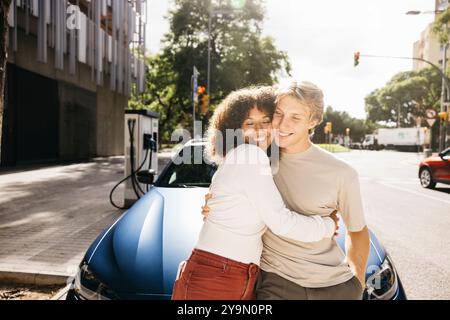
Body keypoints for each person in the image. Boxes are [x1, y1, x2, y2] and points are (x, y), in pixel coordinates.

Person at [171, 87, 339, 301]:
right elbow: (281, 222)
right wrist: (327, 226)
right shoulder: (249, 156)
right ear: (235, 129)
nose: (259, 129)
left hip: (227, 273)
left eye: (266, 120)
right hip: (218, 277)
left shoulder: (247, 161)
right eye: (249, 123)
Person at [256, 81, 370, 300]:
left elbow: (357, 231)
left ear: (314, 121)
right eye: (278, 114)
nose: (282, 124)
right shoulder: (257, 160)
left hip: (335, 285)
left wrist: (358, 283)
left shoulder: (342, 173)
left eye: (295, 118)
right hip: (276, 281)